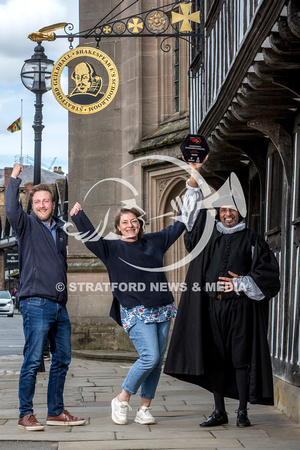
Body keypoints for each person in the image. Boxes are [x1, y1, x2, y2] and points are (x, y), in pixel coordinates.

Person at [70, 158, 207, 426]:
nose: (130, 225)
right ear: (118, 227)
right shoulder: (111, 249)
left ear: (139, 224)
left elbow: (182, 221)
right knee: (150, 356)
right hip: (135, 309)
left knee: (157, 362)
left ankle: (145, 408)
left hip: (163, 307)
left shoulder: (155, 241)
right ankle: (122, 399)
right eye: (125, 222)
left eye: (134, 221)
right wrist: (78, 215)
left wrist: (193, 177)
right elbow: (89, 237)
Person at [164, 165, 280, 428]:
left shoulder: (253, 240)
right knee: (214, 358)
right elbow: (189, 219)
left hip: (240, 309)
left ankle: (241, 411)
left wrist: (241, 283)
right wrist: (193, 179)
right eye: (224, 210)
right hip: (210, 307)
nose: (227, 215)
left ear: (240, 212)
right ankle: (219, 411)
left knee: (240, 359)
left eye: (232, 210)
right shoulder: (207, 235)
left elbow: (270, 275)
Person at [5, 163, 86, 431]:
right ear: (32, 204)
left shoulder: (61, 230)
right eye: (37, 201)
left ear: (53, 203)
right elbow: (11, 209)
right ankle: (25, 414)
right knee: (31, 361)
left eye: (46, 201)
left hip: (59, 305)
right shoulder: (25, 225)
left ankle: (55, 412)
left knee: (62, 359)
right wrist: (14, 178)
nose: (41, 205)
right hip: (35, 302)